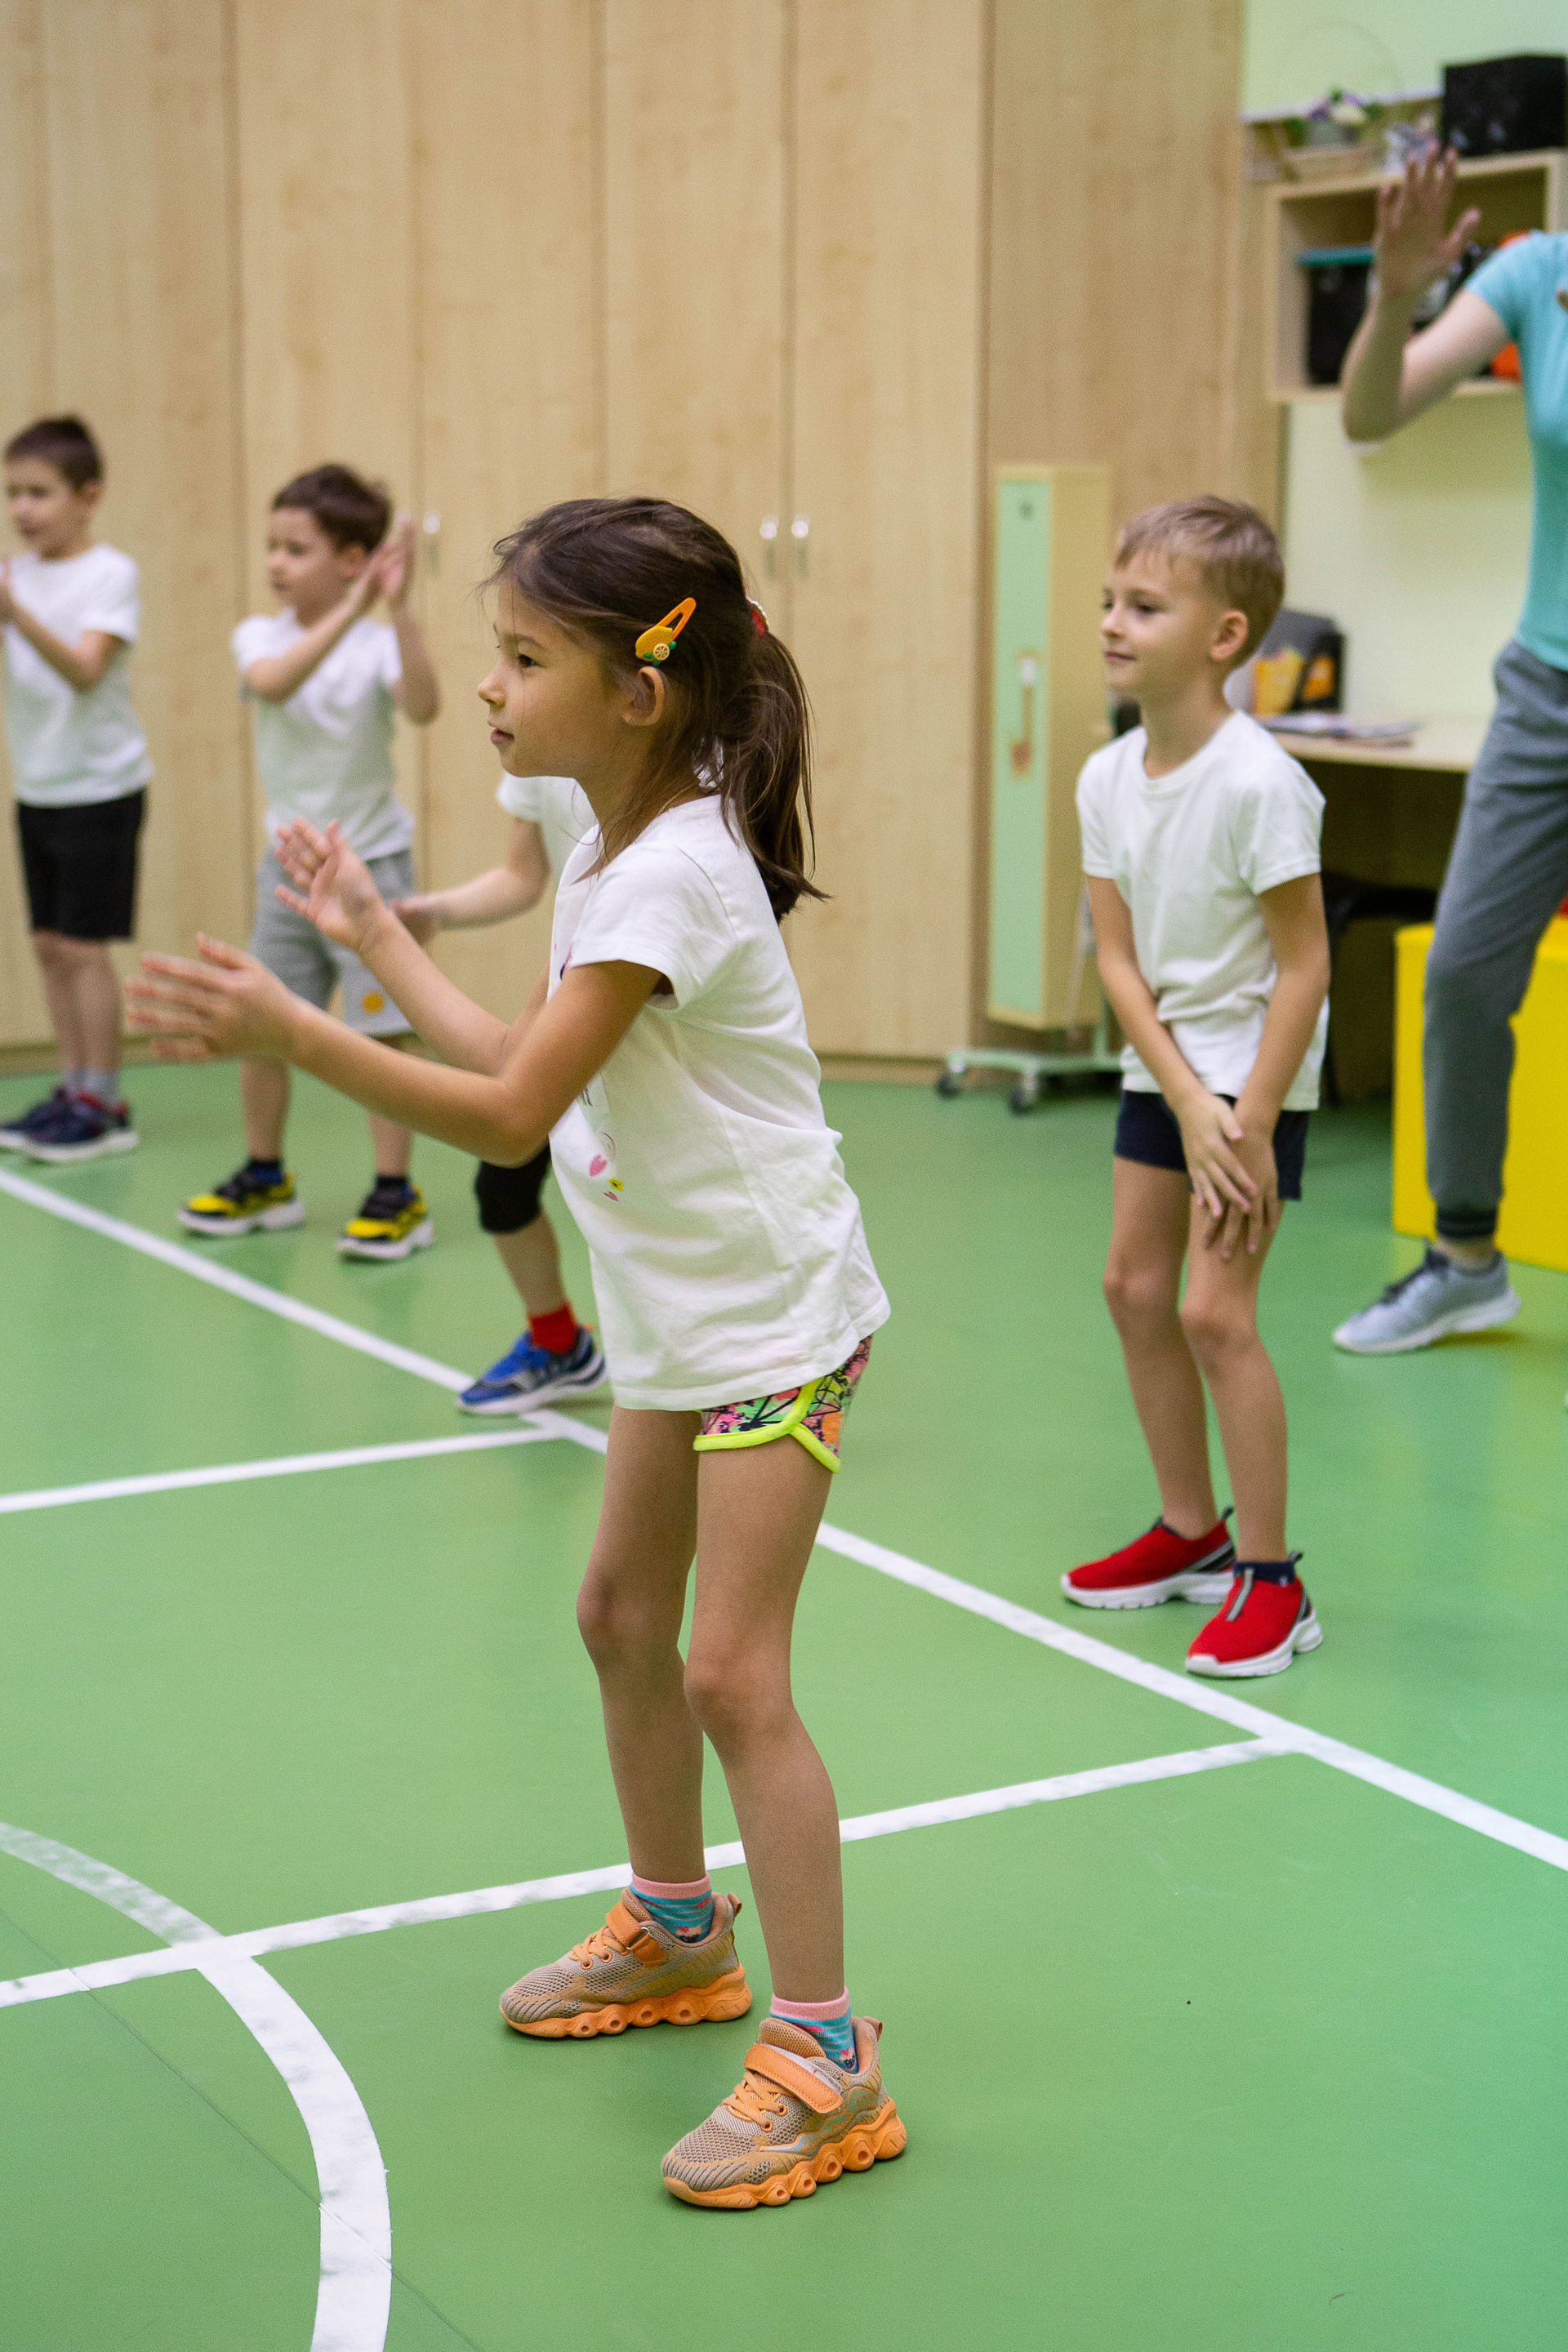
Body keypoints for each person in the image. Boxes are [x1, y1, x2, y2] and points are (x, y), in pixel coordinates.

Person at [127, 496, 905, 2208]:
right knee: (619, 1617)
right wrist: (373, 934)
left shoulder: (678, 868)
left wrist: (296, 1029)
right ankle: (680, 1929)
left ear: (641, 690)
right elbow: (514, 1051)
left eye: (524, 657)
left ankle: (830, 2056)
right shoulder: (608, 843)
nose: (489, 686)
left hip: (773, 1314)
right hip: (679, 1310)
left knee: (731, 1673)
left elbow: (504, 1114)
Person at [1061, 497, 1332, 1678]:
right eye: (1109, 602)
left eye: (1144, 606)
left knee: (1217, 1315)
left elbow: (1305, 965)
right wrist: (1180, 1092)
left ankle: (1273, 1578)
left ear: (1225, 637)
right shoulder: (1105, 776)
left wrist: (1250, 1120)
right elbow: (1119, 962)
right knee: (1134, 1288)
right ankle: (1191, 1532)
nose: (1112, 624)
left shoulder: (1262, 784)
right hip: (1172, 1070)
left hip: (1254, 1079)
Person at [1332, 149, 1566, 1354]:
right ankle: (1466, 1259)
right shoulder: (1537, 274)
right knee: (1466, 971)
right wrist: (1393, 295)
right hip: (1545, 690)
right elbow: (1371, 415)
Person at [177, 464, 442, 1260]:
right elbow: (274, 685)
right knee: (263, 1025)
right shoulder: (260, 637)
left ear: (353, 560)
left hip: (371, 870)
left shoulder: (376, 644)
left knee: (381, 1035)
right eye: (272, 546)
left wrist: (398, 609)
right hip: (287, 871)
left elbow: (424, 705)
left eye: (296, 549)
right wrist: (359, 605)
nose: (276, 563)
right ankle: (266, 1175)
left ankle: (395, 1193)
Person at [394, 774, 608, 1410]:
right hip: (578, 983)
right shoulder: (537, 764)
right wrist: (432, 913)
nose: (494, 724)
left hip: (638, 996)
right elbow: (521, 875)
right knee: (504, 1183)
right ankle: (558, 1343)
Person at [0, 415, 150, 1163]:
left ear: (88, 496)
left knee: (85, 950)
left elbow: (86, 670)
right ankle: (69, 1087)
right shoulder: (16, 575)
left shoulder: (109, 575)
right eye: (12, 494)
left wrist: (14, 613)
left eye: (39, 493)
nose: (22, 509)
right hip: (40, 786)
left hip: (100, 789)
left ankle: (104, 1102)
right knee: (48, 945)